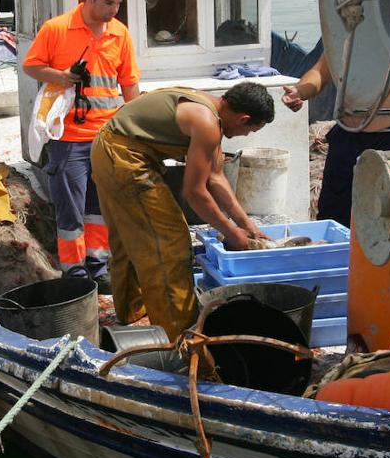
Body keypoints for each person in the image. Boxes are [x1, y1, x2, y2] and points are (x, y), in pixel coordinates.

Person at [90, 82, 275, 340]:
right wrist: (231, 233)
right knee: (169, 243)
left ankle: (133, 313)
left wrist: (247, 224)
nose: (245, 136)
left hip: (106, 148)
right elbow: (195, 192)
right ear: (243, 118)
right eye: (249, 130)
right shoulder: (207, 124)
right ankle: (176, 334)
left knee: (130, 238)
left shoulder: (210, 106)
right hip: (123, 158)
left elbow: (216, 177)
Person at [23, 0, 140, 295]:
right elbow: (31, 66)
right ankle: (74, 272)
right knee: (70, 209)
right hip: (69, 140)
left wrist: (135, 130)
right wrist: (61, 76)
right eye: (108, 3)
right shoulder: (56, 29)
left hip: (107, 138)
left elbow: (129, 83)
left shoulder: (120, 33)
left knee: (99, 207)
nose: (113, 10)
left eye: (117, 4)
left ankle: (97, 267)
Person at [283, 52, 390, 224]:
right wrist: (300, 91)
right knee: (333, 214)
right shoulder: (344, 33)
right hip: (346, 139)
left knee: (389, 218)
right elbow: (319, 72)